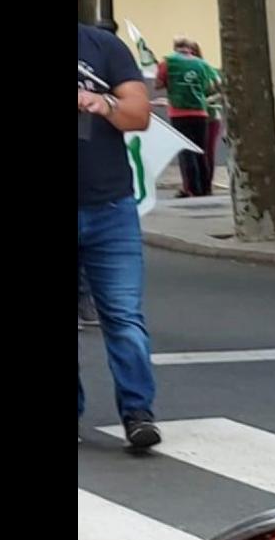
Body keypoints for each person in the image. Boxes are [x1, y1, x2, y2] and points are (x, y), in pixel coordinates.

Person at [78, 22, 161, 448]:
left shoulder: (102, 45)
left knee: (124, 316)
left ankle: (138, 413)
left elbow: (140, 115)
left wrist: (101, 102)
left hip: (109, 205)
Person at [156, 37, 217, 197]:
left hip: (179, 112)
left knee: (185, 150)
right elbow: (210, 85)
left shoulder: (167, 62)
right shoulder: (202, 64)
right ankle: (205, 188)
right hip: (200, 112)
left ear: (175, 47)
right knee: (200, 150)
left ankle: (191, 188)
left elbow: (158, 84)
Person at [188, 41, 224, 193]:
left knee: (207, 151)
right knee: (190, 151)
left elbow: (222, 90)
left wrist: (206, 101)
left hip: (210, 116)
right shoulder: (182, 72)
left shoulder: (207, 69)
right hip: (189, 115)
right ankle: (191, 186)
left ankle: (206, 185)